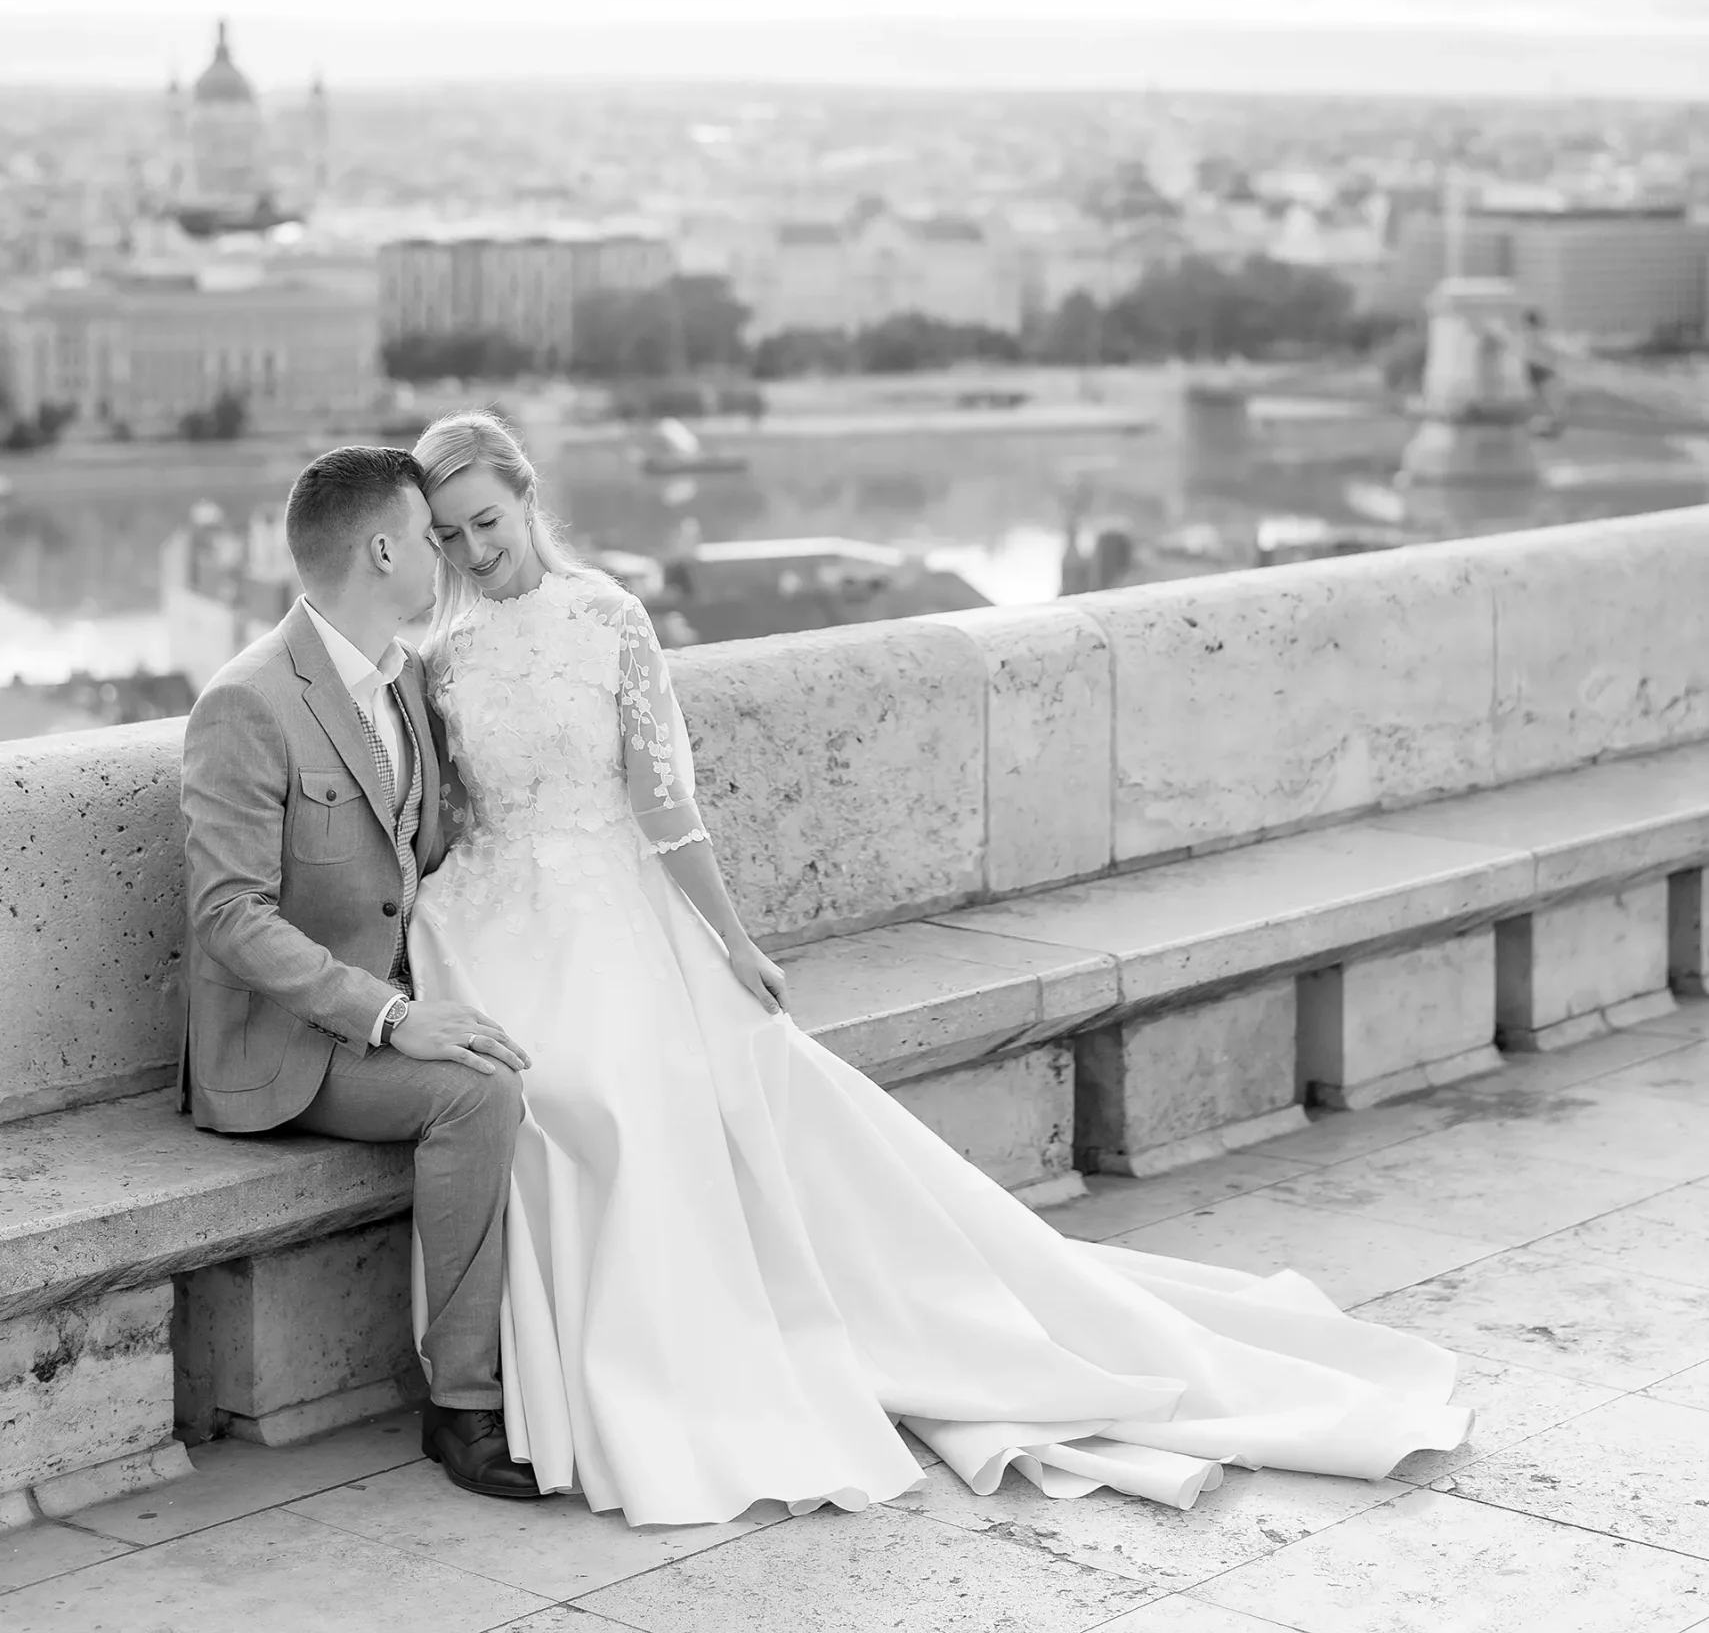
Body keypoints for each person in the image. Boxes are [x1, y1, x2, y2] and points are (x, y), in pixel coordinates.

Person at [404, 408, 1473, 1526]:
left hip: (607, 910)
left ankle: (638, 1367)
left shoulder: (608, 619)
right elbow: (447, 813)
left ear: (528, 499)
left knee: (612, 1098)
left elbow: (666, 811)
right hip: (482, 915)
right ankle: (509, 1382)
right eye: (448, 536)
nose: (476, 553)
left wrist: (733, 944)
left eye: (488, 521)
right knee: (518, 1096)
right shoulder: (442, 652)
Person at [179, 445, 544, 1501]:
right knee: (482, 1089)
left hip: (395, 1004)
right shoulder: (246, 701)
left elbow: (425, 860)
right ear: (385, 547)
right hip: (291, 1045)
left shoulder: (412, 678)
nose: (448, 557)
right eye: (433, 539)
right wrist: (391, 1016)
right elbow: (227, 915)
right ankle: (463, 1405)